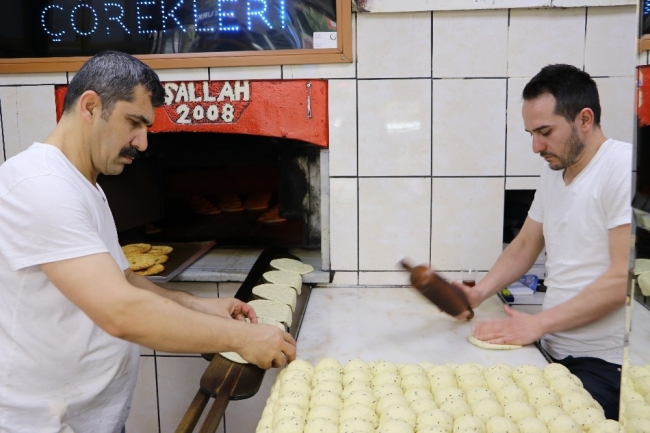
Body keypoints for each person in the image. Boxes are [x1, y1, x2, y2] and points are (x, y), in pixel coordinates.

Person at [0, 51, 296, 432]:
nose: (142, 143)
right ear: (91, 106)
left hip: (87, 419)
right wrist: (242, 338)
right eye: (134, 123)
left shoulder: (81, 184)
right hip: (43, 423)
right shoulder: (42, 187)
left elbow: (124, 282)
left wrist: (201, 306)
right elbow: (120, 311)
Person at [456, 64, 631, 419]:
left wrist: (536, 323)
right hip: (551, 350)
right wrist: (478, 293)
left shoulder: (620, 167)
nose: (536, 146)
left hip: (603, 365)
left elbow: (619, 281)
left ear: (584, 119)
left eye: (545, 132)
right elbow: (525, 245)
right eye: (531, 133)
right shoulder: (555, 171)